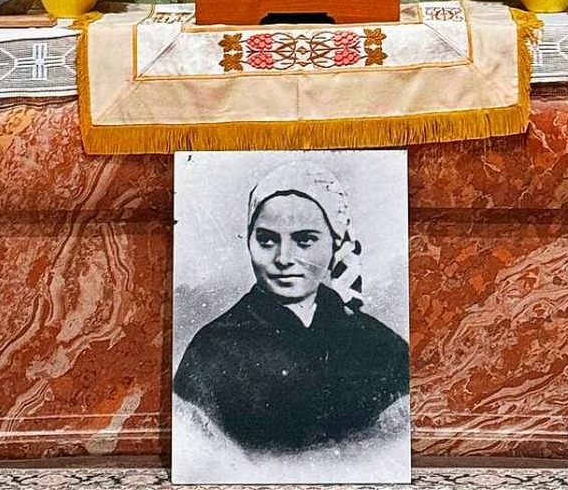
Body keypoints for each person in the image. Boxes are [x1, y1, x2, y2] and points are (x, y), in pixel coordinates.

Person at [173, 163, 409, 453]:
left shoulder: (381, 346)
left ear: (335, 244)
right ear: (249, 242)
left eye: (304, 240)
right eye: (267, 240)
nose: (284, 258)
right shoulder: (212, 348)